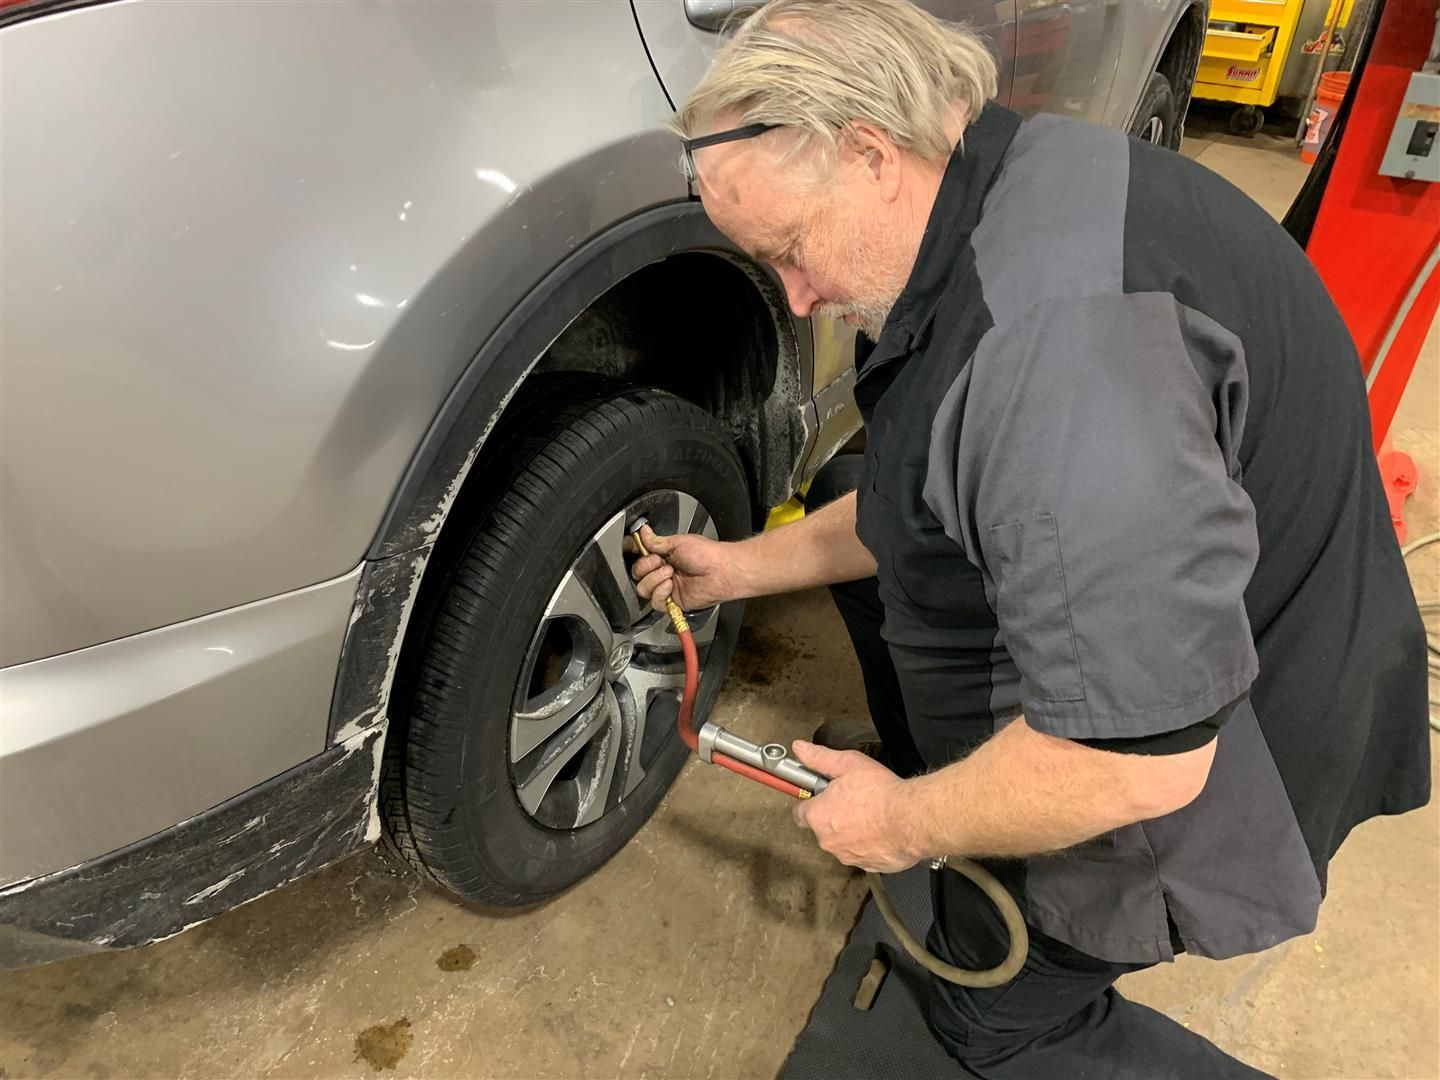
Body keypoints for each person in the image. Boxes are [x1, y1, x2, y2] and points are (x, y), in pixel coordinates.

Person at [629, 1, 1431, 1076]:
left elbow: (1137, 763)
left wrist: (905, 826)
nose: (798, 297)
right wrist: (735, 568)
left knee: (992, 1018)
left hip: (1238, 737)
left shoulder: (1060, 373)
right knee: (863, 473)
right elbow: (914, 496)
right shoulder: (1008, 175)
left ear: (871, 153)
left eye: (790, 250)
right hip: (1206, 613)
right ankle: (943, 777)